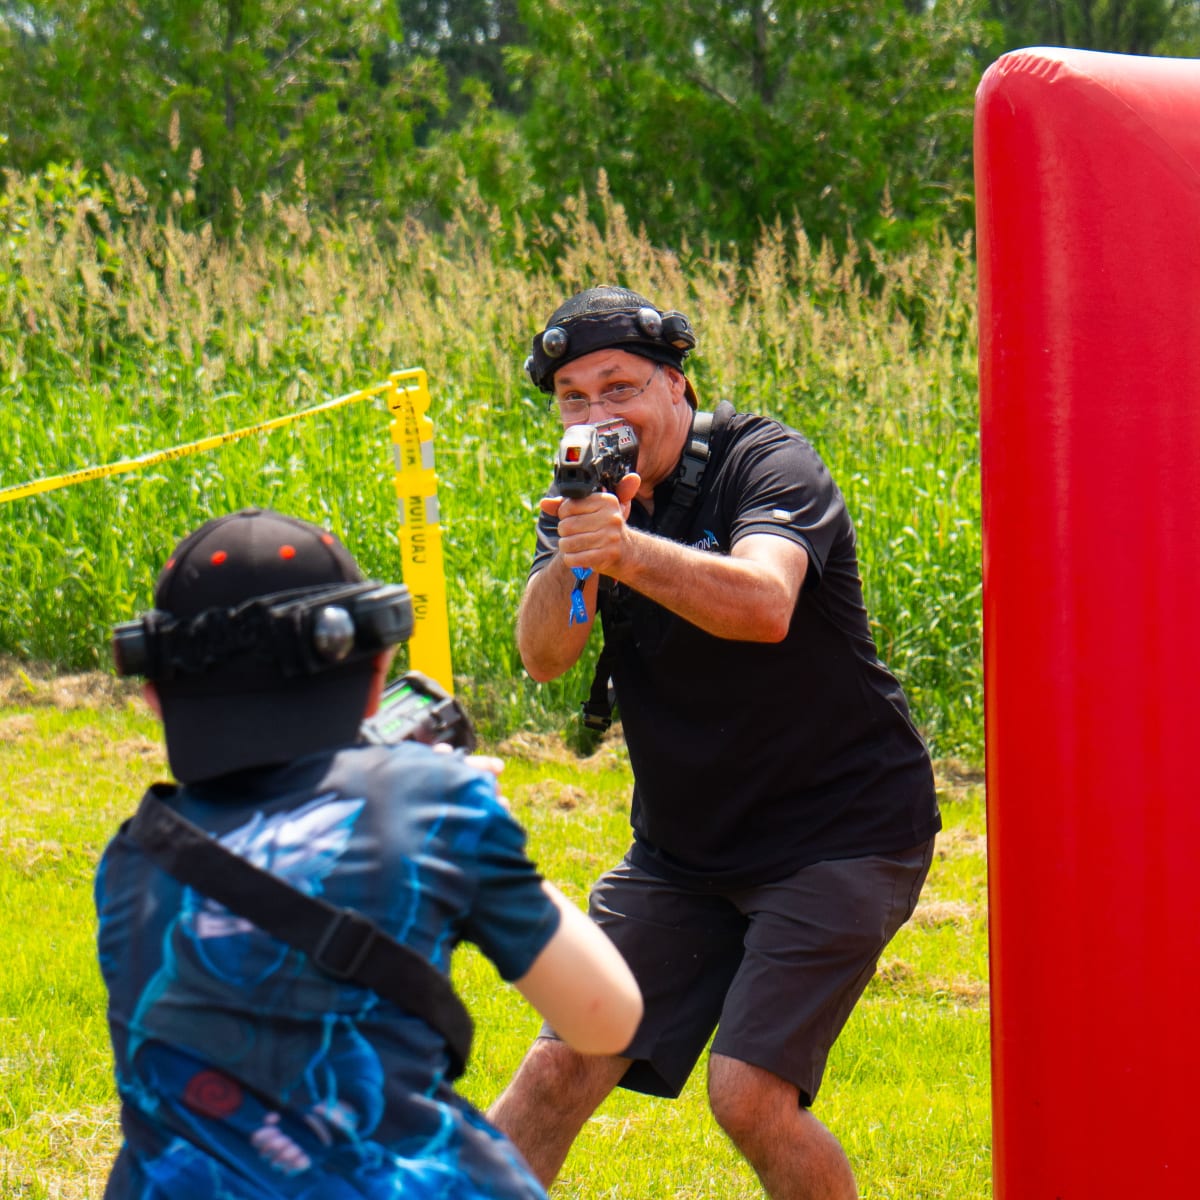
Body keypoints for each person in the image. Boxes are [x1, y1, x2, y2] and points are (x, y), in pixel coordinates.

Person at [488, 286, 942, 1200]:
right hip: (682, 852)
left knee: (747, 1096)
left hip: (842, 833)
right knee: (554, 1069)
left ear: (677, 387)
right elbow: (544, 656)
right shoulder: (584, 496)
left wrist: (624, 553)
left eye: (617, 388)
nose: (595, 415)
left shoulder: (767, 462)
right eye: (572, 398)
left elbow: (765, 604)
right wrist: (578, 549)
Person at [94, 506, 641, 1199]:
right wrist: (483, 824)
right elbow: (607, 1018)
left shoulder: (134, 856)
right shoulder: (430, 802)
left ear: (152, 696)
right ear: (379, 668)